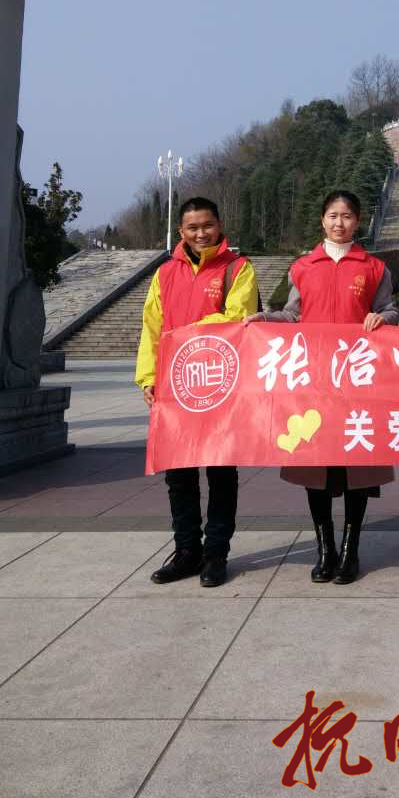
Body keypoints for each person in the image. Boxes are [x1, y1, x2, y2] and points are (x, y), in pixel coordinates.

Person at [247, 189, 399, 585]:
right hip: (313, 381)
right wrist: (264, 318)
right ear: (322, 220)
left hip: (358, 381)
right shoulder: (303, 267)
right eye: (333, 215)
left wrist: (383, 319)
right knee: (314, 465)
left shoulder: (374, 268)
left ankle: (350, 550)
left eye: (347, 216)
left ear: (357, 221)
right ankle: (324, 548)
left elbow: (390, 309)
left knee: (357, 468)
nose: (339, 222)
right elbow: (293, 315)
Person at [136, 196, 260, 588]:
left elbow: (239, 317)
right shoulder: (165, 273)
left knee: (221, 472)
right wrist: (148, 377)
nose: (201, 233)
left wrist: (190, 332)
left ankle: (216, 554)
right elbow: (151, 327)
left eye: (207, 225)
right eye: (192, 227)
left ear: (219, 225)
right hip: (175, 387)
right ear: (181, 231)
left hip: (221, 385)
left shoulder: (237, 268)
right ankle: (186, 551)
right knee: (179, 476)